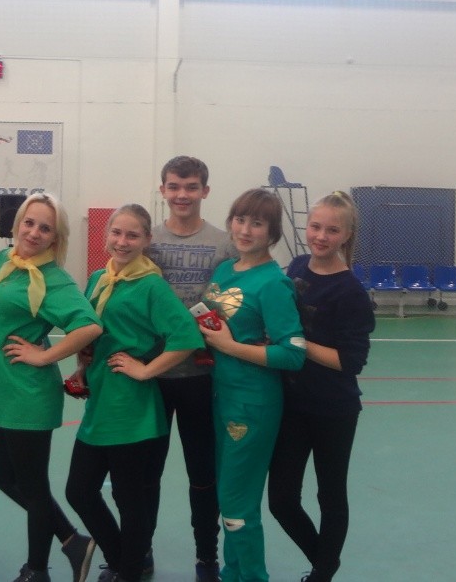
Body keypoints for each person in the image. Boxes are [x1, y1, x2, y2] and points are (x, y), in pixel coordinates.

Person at [64, 204, 205, 582]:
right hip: (100, 400)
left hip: (131, 405)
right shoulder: (99, 278)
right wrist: (83, 359)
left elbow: (186, 336)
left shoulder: (151, 285)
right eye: (117, 233)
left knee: (129, 499)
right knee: (79, 491)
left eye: (132, 235)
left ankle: (129, 571)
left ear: (146, 240)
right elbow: (91, 329)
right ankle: (122, 558)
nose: (122, 241)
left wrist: (145, 369)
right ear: (106, 235)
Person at [0, 192, 104, 582]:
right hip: (4, 390)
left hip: (28, 394)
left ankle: (37, 570)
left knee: (33, 487)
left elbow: (89, 326)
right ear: (17, 224)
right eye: (29, 223)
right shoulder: (3, 261)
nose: (33, 232)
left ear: (55, 237)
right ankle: (72, 540)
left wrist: (45, 356)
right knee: (3, 477)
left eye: (44, 228)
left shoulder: (53, 279)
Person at [198, 189, 307, 582]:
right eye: (240, 220)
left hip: (252, 404)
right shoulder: (225, 270)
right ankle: (233, 574)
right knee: (228, 498)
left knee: (237, 504)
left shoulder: (273, 283)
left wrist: (231, 347)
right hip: (220, 396)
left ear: (272, 232)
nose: (245, 230)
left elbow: (293, 353)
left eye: (257, 223)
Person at [268, 192, 374, 582]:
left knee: (330, 496)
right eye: (315, 227)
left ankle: (321, 573)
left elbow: (350, 361)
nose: (321, 236)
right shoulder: (297, 266)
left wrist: (295, 344)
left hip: (333, 410)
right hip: (291, 406)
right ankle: (325, 562)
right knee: (281, 501)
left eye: (332, 230)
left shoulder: (351, 292)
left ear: (346, 235)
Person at [144, 156, 235, 582]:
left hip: (202, 379)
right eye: (175, 186)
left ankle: (207, 558)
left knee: (203, 476)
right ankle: (138, 551)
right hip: (154, 377)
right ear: (163, 189)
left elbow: (241, 299)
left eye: (191, 186)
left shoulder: (224, 244)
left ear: (205, 191)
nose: (182, 194)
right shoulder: (147, 241)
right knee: (146, 473)